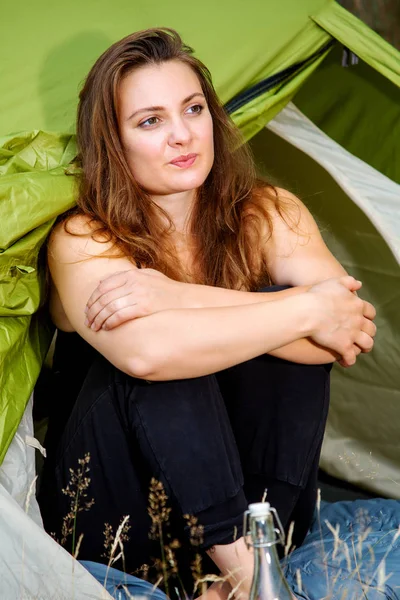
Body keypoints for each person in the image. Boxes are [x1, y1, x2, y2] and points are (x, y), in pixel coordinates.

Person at [38, 28, 376, 600]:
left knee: (269, 323)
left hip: (249, 500)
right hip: (120, 513)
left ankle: (251, 556)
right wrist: (304, 308)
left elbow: (345, 334)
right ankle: (252, 584)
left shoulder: (269, 213)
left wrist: (177, 295)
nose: (181, 135)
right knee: (171, 352)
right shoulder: (83, 236)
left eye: (193, 109)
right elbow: (146, 352)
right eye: (149, 121)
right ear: (112, 141)